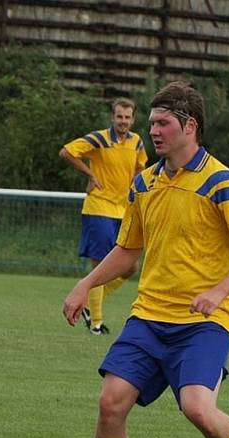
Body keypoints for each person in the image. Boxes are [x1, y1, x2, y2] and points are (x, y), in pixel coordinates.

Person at [62, 81, 229, 438]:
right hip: (149, 316)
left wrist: (220, 291)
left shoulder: (224, 184)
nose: (154, 132)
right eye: (151, 124)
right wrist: (85, 284)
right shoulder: (143, 182)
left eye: (163, 123)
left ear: (190, 125)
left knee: (199, 410)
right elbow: (128, 250)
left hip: (206, 320)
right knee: (110, 403)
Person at [60, 98, 148, 334]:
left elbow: (141, 167)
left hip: (123, 210)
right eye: (119, 117)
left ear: (133, 119)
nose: (123, 121)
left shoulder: (137, 142)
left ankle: (87, 300)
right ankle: (96, 324)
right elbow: (66, 152)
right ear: (112, 117)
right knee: (99, 264)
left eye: (127, 117)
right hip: (99, 207)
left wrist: (135, 186)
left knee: (130, 268)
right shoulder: (99, 138)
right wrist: (89, 173)